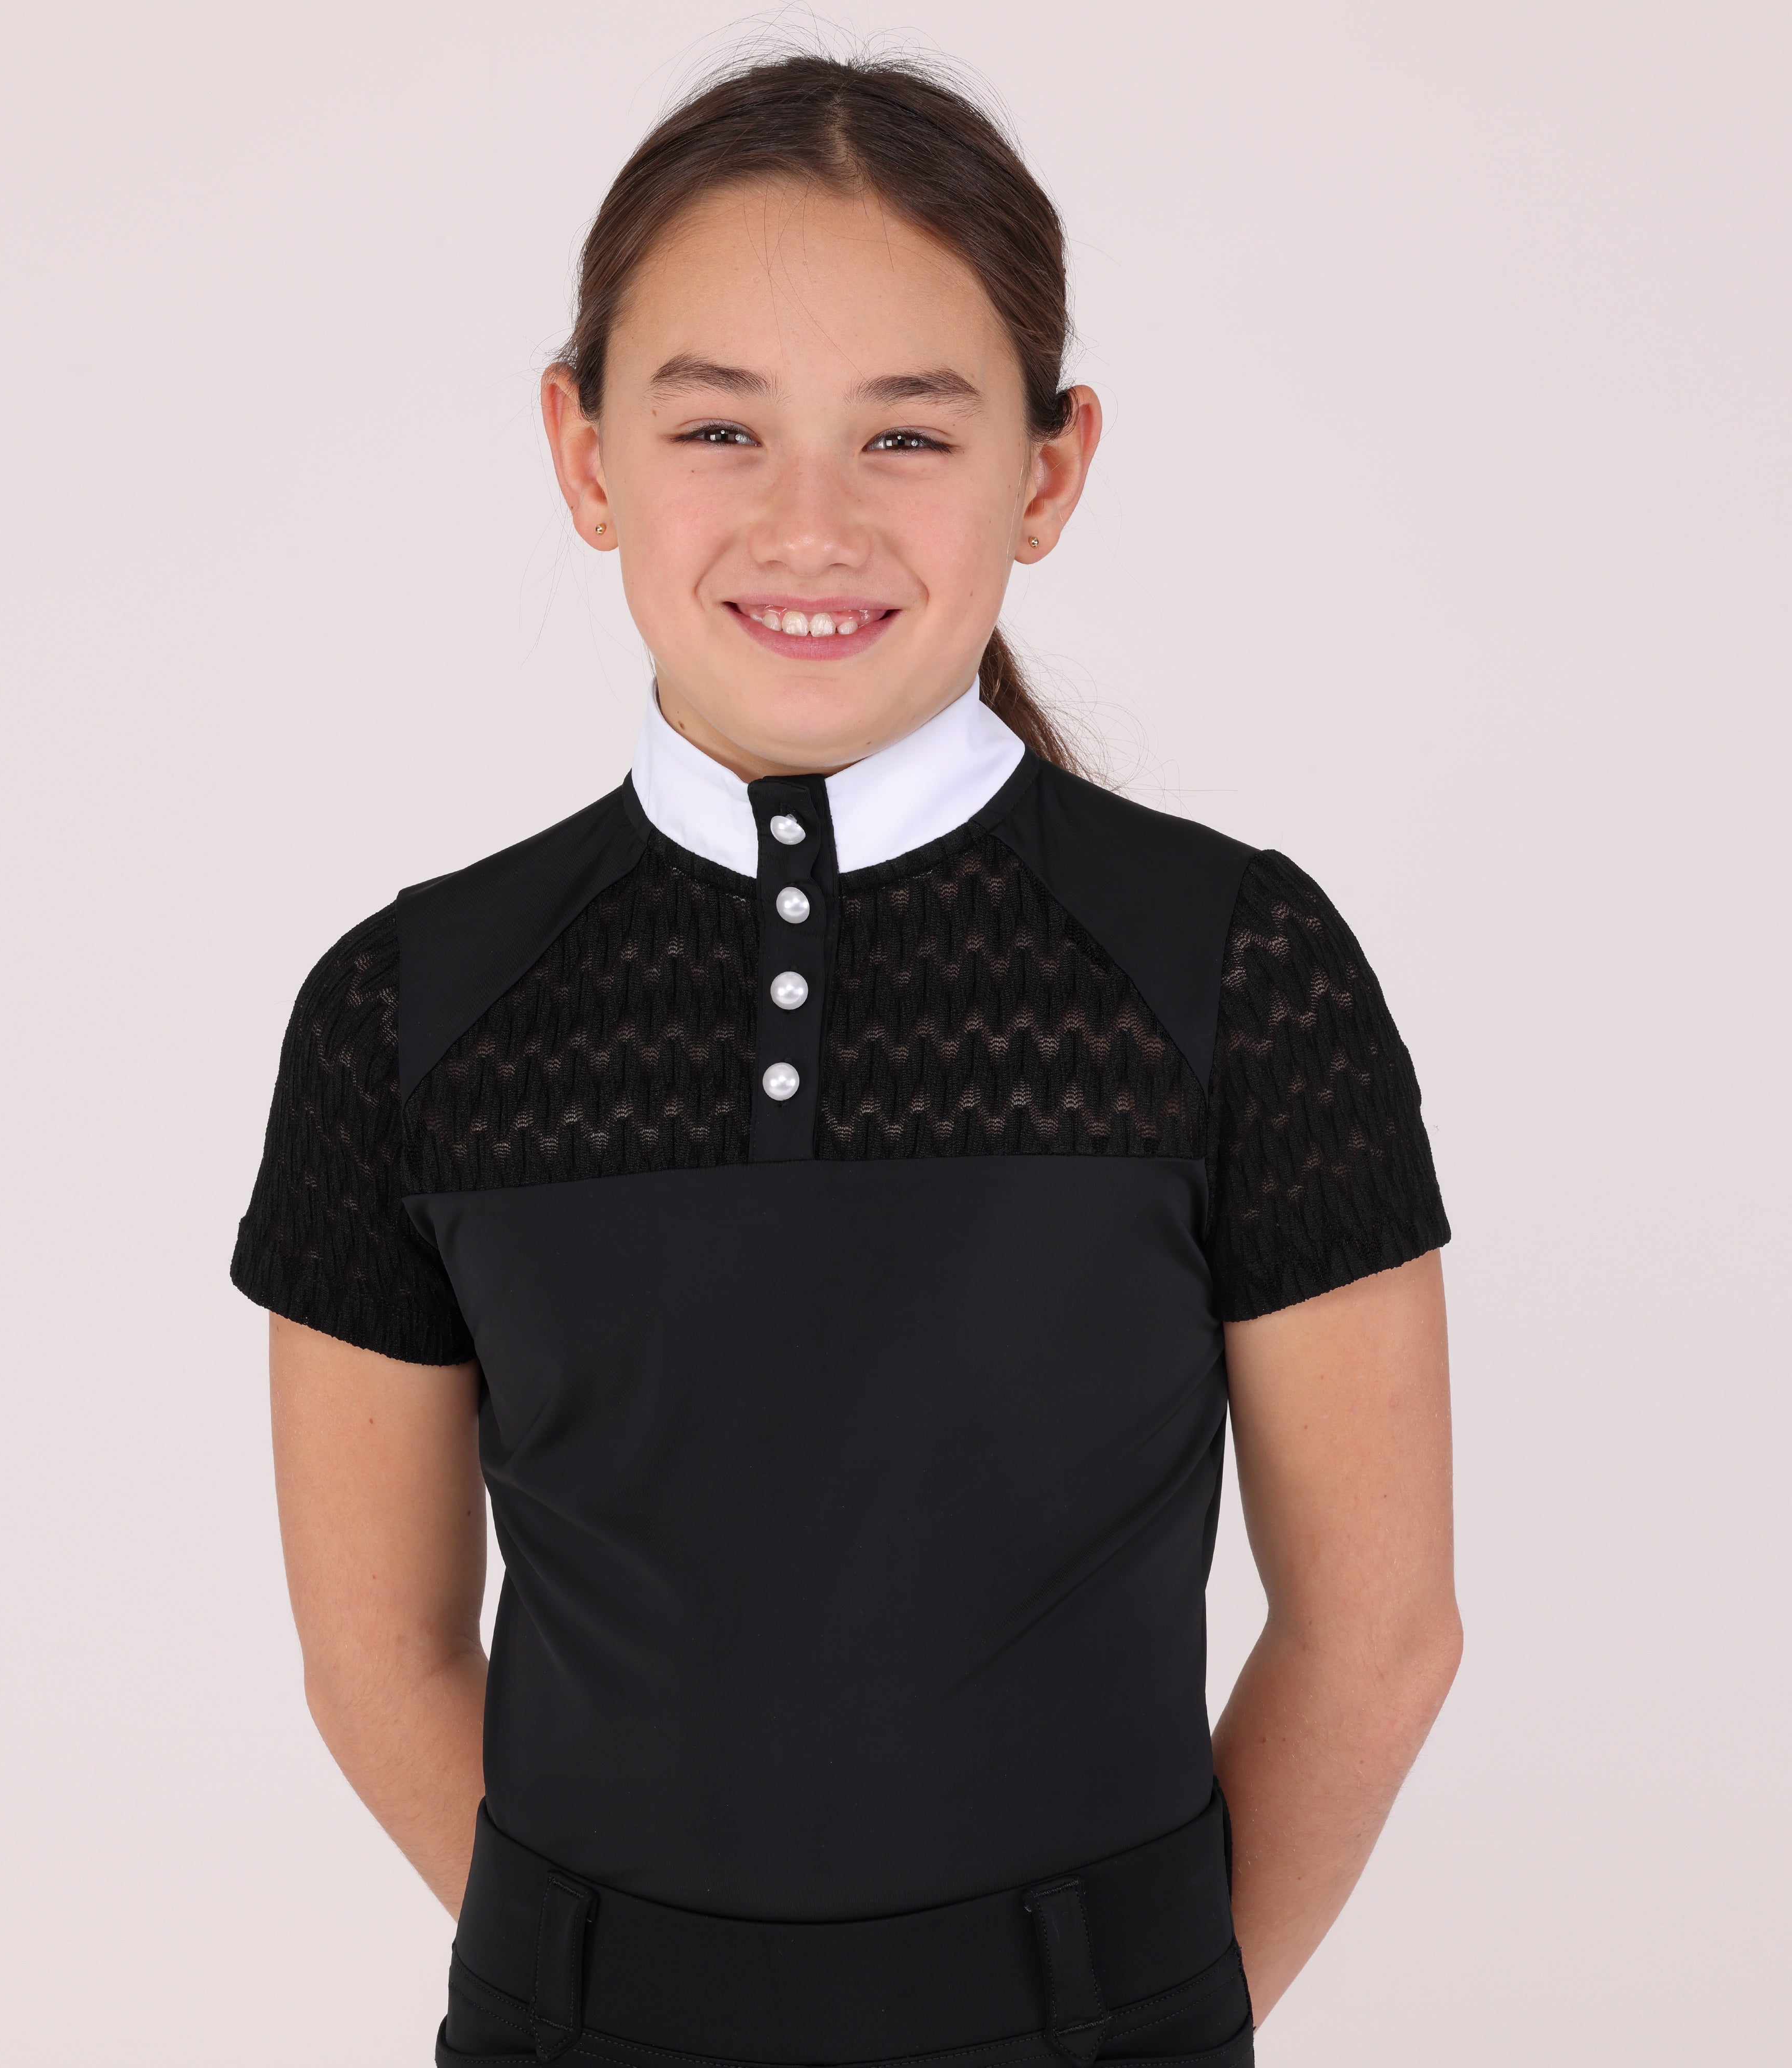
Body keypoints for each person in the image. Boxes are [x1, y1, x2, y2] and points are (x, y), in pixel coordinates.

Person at [232, 52, 1460, 2068]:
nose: (810, 523)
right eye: (719, 426)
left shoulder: (1236, 970)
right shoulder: (409, 1007)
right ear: (585, 457)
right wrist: (605, 1984)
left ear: (1046, 473)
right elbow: (375, 1653)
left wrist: (1139, 2009)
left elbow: (1379, 1634)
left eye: (906, 432)